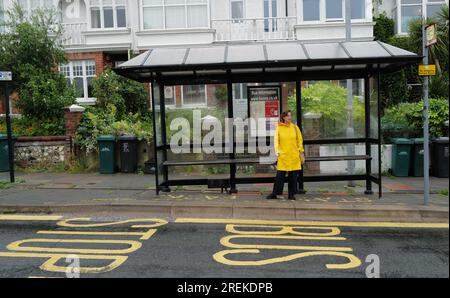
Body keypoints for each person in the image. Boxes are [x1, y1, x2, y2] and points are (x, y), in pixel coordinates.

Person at [266, 110, 305, 200]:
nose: (289, 117)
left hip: (294, 156)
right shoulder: (279, 128)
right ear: (283, 117)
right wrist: (278, 152)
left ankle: (291, 194)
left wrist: (301, 151)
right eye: (287, 116)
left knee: (293, 177)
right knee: (280, 176)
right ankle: (275, 193)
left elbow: (299, 141)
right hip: (283, 156)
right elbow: (276, 141)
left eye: (290, 116)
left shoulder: (295, 128)